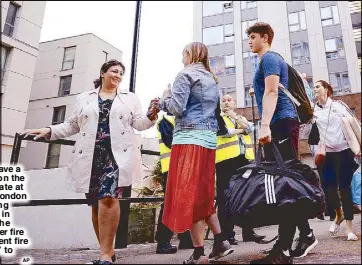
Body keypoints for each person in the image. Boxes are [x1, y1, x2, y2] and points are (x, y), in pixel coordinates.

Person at [21, 59, 159, 265]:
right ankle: (107, 252)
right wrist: (49, 131)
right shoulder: (84, 98)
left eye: (121, 73)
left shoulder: (129, 98)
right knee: (96, 203)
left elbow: (139, 123)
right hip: (90, 155)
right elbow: (72, 125)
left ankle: (105, 256)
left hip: (116, 155)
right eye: (114, 71)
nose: (118, 75)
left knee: (108, 198)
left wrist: (151, 115)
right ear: (103, 73)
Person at [247, 22, 318, 264]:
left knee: (286, 183)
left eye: (253, 37)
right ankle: (302, 235)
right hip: (280, 122)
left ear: (265, 38)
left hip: (281, 122)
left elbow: (272, 92)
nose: (249, 41)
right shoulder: (266, 60)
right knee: (284, 182)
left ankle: (285, 248)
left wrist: (264, 124)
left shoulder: (270, 58)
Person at [158, 42, 234, 264]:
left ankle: (204, 249)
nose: (182, 58)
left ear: (190, 54)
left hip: (188, 139)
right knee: (202, 196)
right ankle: (213, 244)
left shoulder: (185, 74)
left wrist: (164, 98)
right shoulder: (212, 79)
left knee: (186, 196)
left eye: (183, 54)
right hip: (208, 141)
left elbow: (176, 108)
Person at [216, 94, 266, 245]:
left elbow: (251, 128)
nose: (226, 102)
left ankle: (248, 231)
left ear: (234, 103)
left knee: (247, 195)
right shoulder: (218, 117)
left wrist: (235, 118)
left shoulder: (238, 116)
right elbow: (224, 132)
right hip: (226, 161)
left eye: (229, 100)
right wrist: (240, 130)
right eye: (223, 100)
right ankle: (227, 234)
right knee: (225, 197)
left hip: (244, 160)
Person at [313, 80, 359, 241]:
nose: (315, 89)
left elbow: (354, 124)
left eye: (318, 86)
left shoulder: (339, 106)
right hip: (327, 154)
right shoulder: (313, 110)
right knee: (330, 189)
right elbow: (307, 133)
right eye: (314, 87)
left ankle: (349, 229)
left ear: (326, 90)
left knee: (345, 188)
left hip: (344, 152)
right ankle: (338, 215)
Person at [155, 111, 193, 254]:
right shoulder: (166, 120)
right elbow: (171, 142)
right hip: (172, 167)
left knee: (183, 202)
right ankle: (163, 242)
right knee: (170, 203)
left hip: (180, 166)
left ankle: (185, 238)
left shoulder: (178, 120)